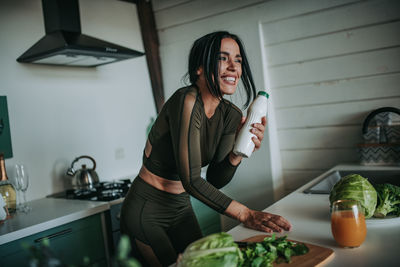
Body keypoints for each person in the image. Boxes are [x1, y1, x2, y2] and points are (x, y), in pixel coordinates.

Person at [120, 31, 292, 267]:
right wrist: (246, 214)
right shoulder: (186, 100)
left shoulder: (231, 114)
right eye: (223, 58)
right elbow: (191, 179)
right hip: (146, 209)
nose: (233, 67)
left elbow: (214, 179)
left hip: (181, 207)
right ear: (199, 68)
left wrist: (237, 154)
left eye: (238, 60)